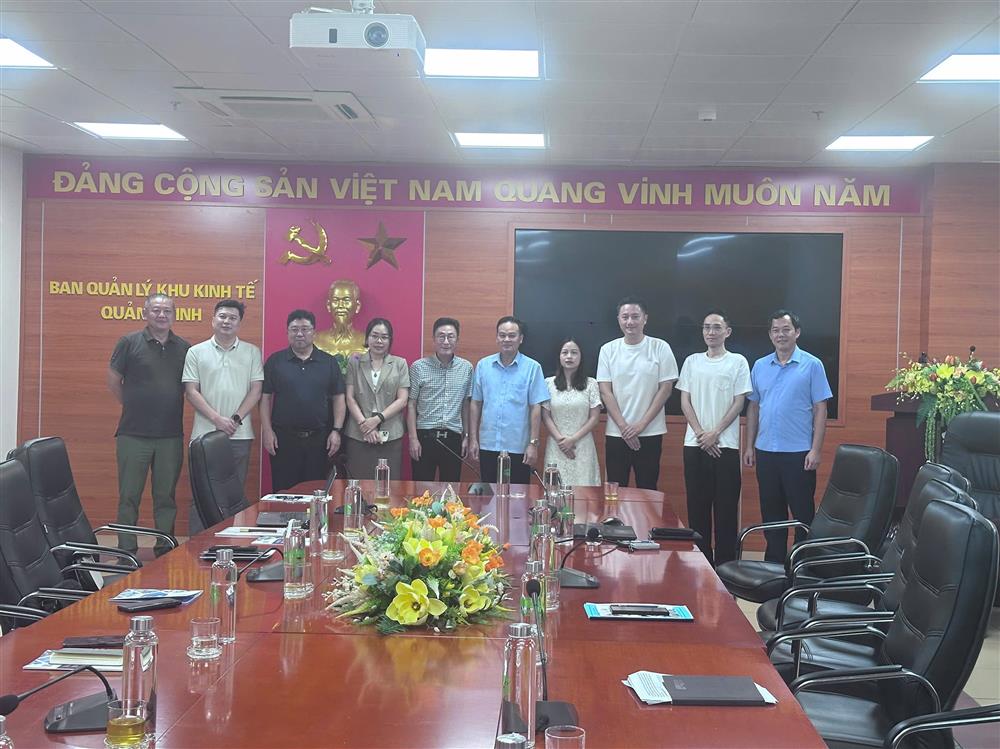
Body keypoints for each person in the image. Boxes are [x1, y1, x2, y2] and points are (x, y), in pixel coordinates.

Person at [743, 309, 832, 563]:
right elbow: (753, 407)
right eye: (775, 330)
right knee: (771, 514)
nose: (780, 335)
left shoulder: (812, 365)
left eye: (786, 329)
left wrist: (816, 450)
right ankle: (773, 566)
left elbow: (821, 409)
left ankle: (801, 567)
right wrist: (749, 446)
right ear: (770, 335)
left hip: (799, 453)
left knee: (802, 514)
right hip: (766, 451)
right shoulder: (760, 365)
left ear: (797, 332)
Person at [106, 293, 190, 557]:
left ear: (174, 315)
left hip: (170, 436)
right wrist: (133, 404)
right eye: (156, 310)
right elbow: (113, 380)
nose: (161, 315)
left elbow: (189, 387)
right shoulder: (128, 342)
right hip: (133, 434)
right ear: (145, 313)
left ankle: (164, 550)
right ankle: (126, 550)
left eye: (167, 311)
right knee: (128, 496)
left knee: (165, 497)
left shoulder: (184, 348)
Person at [677, 310, 751, 567]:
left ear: (727, 332)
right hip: (694, 444)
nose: (711, 332)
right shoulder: (692, 361)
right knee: (697, 510)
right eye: (707, 327)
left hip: (725, 446)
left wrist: (715, 433)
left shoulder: (738, 361)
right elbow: (684, 401)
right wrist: (701, 434)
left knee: (726, 512)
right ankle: (702, 567)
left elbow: (739, 402)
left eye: (717, 327)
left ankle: (726, 568)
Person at [182, 299, 264, 520]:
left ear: (239, 323)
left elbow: (256, 390)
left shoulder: (252, 352)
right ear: (213, 320)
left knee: (233, 496)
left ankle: (231, 539)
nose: (227, 321)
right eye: (222, 316)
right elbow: (191, 391)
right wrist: (218, 419)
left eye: (232, 318)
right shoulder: (195, 352)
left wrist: (235, 419)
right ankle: (199, 541)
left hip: (240, 434)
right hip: (203, 435)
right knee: (201, 495)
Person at [597, 296, 678, 490]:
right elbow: (605, 391)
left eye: (635, 316)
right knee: (615, 490)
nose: (630, 322)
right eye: (625, 317)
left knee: (647, 488)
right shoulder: (608, 349)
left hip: (650, 432)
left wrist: (640, 425)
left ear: (645, 318)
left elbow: (666, 388)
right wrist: (624, 427)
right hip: (617, 433)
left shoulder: (660, 347)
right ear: (618, 319)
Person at [260, 309, 346, 492]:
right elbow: (265, 398)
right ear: (287, 332)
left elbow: (339, 397)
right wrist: (267, 430)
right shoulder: (275, 361)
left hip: (319, 440)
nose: (300, 334)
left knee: (315, 492)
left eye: (305, 329)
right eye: (294, 329)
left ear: (314, 332)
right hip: (283, 440)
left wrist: (336, 431)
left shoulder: (329, 362)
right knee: (284, 493)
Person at [468, 316, 549, 484]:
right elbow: (476, 403)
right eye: (502, 335)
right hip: (488, 445)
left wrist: (533, 444)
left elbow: (536, 407)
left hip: (519, 447)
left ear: (521, 339)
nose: (506, 339)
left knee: (519, 496)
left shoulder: (533, 368)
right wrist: (473, 439)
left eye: (512, 335)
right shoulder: (483, 366)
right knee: (489, 495)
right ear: (497, 337)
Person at [407, 317, 473, 482]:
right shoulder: (418, 367)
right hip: (424, 438)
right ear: (434, 339)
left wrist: (466, 436)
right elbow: (411, 405)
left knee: (450, 490)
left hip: (453, 438)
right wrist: (413, 439)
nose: (446, 341)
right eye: (441, 336)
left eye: (450, 336)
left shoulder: (466, 368)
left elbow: (466, 405)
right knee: (421, 491)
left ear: (457, 339)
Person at [343, 318, 410, 480]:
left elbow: (402, 400)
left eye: (384, 337)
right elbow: (350, 397)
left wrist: (376, 420)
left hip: (390, 433)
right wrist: (364, 425)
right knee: (358, 483)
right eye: (375, 336)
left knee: (389, 483)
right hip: (358, 433)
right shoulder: (355, 361)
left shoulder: (399, 363)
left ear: (390, 340)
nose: (379, 341)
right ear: (367, 338)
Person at [541, 338, 602, 487]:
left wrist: (573, 439)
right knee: (554, 489)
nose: (569, 356)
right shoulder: (549, 383)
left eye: (574, 353)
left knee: (584, 491)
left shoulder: (591, 383)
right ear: (559, 356)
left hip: (582, 445)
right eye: (565, 352)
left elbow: (594, 418)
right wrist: (561, 441)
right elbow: (545, 416)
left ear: (581, 357)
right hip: (556, 445)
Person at [313, 278, 368, 361]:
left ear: (357, 306)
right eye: (336, 300)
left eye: (346, 300)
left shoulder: (367, 342)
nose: (340, 306)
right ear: (328, 305)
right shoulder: (316, 341)